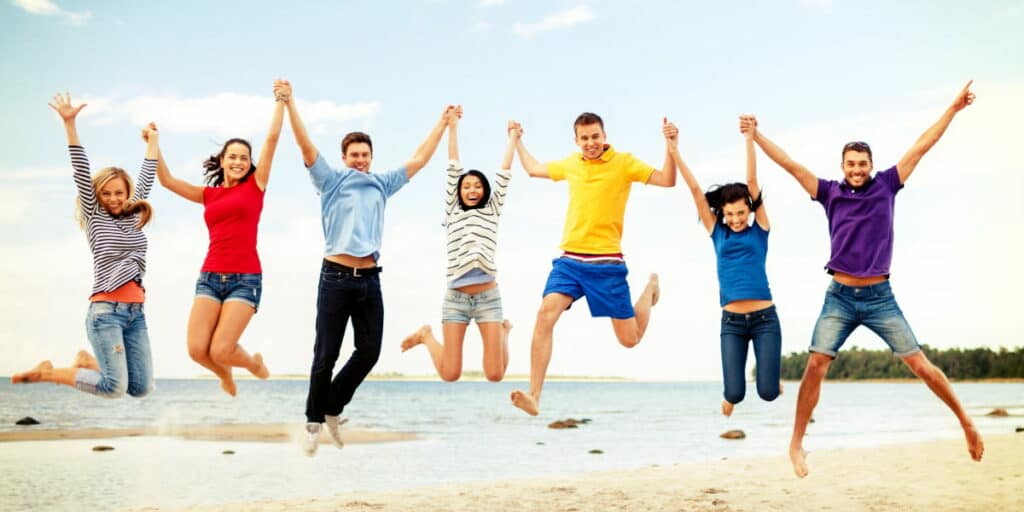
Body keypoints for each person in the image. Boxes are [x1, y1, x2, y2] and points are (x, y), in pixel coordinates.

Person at [744, 81, 984, 477]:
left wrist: (954, 108)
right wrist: (757, 136)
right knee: (816, 365)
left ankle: (967, 424)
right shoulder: (829, 193)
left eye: (862, 164)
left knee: (921, 366)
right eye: (850, 164)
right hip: (839, 296)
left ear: (870, 165)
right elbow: (789, 165)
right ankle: (796, 444)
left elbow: (923, 145)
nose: (857, 170)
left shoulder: (888, 185)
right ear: (843, 167)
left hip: (880, 298)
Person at [279, 79, 451, 456]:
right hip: (335, 277)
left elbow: (420, 160)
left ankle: (331, 408)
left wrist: (442, 123)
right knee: (326, 353)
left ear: (371, 156)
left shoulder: (381, 183)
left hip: (370, 279)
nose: (360, 160)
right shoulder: (330, 180)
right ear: (344, 158)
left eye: (365, 154)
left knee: (369, 351)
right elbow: (305, 145)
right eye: (354, 154)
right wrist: (291, 103)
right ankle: (312, 421)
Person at [509, 112, 679, 416]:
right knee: (545, 313)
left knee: (629, 340)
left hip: (607, 264)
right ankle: (535, 395)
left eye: (595, 136)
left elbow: (667, 180)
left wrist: (671, 145)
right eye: (584, 138)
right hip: (570, 261)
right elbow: (534, 169)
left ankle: (650, 288)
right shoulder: (571, 164)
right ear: (576, 141)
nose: (590, 143)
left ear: (604, 136)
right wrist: (517, 140)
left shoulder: (625, 163)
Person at [12, 93, 158, 399]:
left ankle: (87, 363)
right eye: (106, 194)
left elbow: (147, 174)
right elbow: (80, 169)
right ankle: (48, 373)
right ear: (98, 196)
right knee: (114, 389)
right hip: (106, 312)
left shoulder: (134, 214)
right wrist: (69, 123)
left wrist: (152, 141)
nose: (114, 199)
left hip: (136, 312)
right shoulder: (94, 215)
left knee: (141, 389)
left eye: (119, 193)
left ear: (127, 192)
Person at [154, 81, 286, 396]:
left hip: (245, 278)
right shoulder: (208, 195)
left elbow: (271, 138)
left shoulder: (256, 185)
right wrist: (153, 144)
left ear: (249, 162)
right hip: (210, 277)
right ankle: (224, 375)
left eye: (244, 157)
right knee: (198, 350)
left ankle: (253, 364)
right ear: (223, 160)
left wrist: (281, 101)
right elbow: (167, 181)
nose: (239, 161)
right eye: (233, 157)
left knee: (221, 348)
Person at [672, 116, 781, 417]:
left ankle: (773, 380)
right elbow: (695, 190)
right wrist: (674, 150)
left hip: (765, 319)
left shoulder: (760, 229)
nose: (736, 219)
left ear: (750, 209)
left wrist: (749, 138)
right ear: (723, 213)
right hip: (731, 323)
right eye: (730, 214)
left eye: (741, 212)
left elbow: (752, 183)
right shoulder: (716, 232)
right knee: (734, 392)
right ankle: (733, 395)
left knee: (769, 393)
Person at [400, 109, 515, 382]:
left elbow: (504, 173)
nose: (472, 189)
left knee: (495, 375)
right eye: (466, 186)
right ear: (459, 192)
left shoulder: (492, 210)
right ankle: (426, 336)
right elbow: (453, 164)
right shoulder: (453, 210)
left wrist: (512, 137)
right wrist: (452, 126)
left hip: (488, 298)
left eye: (477, 186)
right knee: (450, 374)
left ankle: (504, 333)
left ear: (485, 191)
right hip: (456, 299)